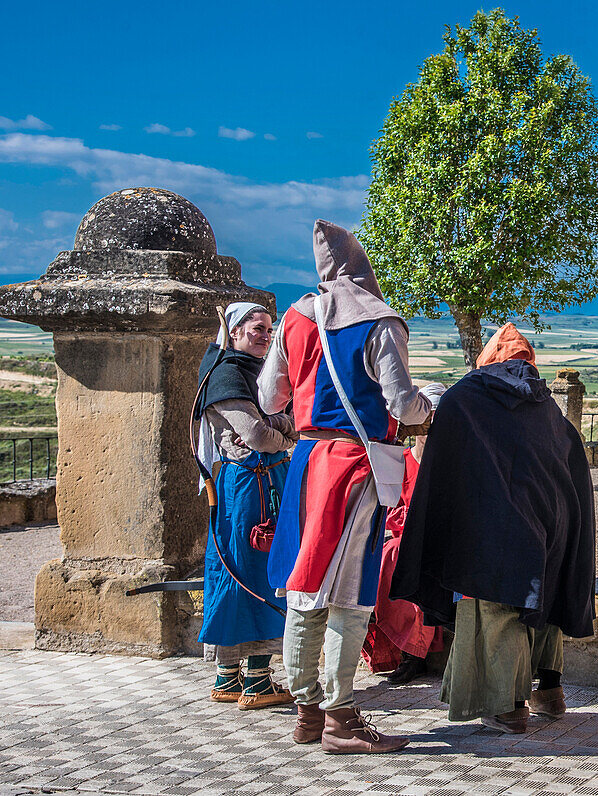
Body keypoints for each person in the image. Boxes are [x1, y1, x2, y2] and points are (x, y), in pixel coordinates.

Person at [259, 220, 433, 755]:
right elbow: (403, 405)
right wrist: (432, 403)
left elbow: (270, 398)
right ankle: (340, 717)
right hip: (355, 465)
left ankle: (307, 710)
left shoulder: (294, 317)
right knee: (350, 597)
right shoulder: (380, 322)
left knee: (305, 587)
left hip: (307, 461)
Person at [391, 323, 596, 734]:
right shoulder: (548, 407)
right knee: (545, 600)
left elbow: (444, 466)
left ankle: (508, 706)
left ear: (489, 359)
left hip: (494, 525)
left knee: (494, 608)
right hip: (552, 522)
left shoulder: (466, 397)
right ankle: (550, 692)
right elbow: (571, 465)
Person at [196, 302, 298, 710]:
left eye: (270, 329)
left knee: (246, 568)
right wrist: (286, 431)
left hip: (262, 483)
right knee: (254, 570)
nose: (265, 334)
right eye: (257, 328)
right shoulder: (226, 375)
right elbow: (255, 434)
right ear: (234, 331)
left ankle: (229, 677)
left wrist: (275, 427)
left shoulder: (255, 373)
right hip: (251, 489)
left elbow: (267, 425)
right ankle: (255, 680)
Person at [361, 384, 447, 685]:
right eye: (428, 421)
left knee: (405, 557)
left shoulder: (449, 464)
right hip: (403, 537)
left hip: (439, 540)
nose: (431, 429)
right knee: (390, 554)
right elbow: (389, 508)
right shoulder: (402, 461)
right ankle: (398, 649)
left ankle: (415, 653)